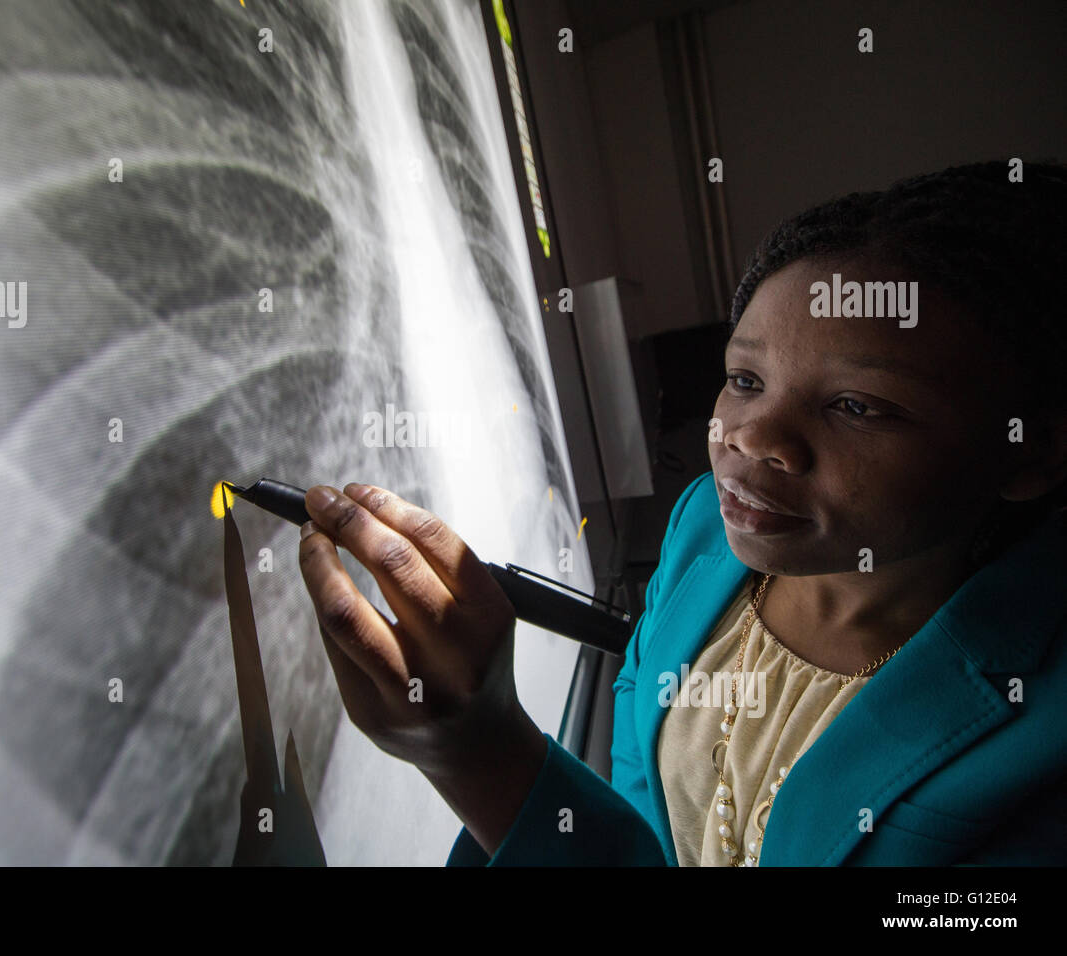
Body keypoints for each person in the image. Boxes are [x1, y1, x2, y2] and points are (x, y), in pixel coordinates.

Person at [296, 160, 1067, 865]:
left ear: (1029, 454)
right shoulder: (706, 523)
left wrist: (479, 753)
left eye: (857, 405)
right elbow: (643, 811)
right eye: (746, 379)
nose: (750, 438)